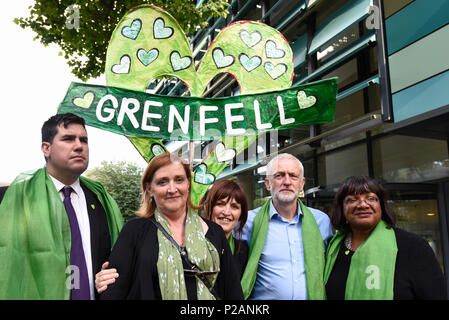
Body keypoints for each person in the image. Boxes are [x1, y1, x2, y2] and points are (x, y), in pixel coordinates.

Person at [0, 113, 123, 300]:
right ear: (46, 148)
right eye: (68, 139)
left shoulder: (101, 201)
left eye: (84, 140)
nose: (79, 146)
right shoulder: (11, 200)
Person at [100, 152, 243, 300]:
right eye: (162, 182)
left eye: (179, 180)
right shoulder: (134, 231)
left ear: (188, 183)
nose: (172, 189)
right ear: (149, 188)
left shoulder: (215, 232)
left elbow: (233, 292)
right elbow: (112, 291)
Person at [324, 176, 447, 300]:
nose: (362, 205)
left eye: (371, 198)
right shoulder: (332, 250)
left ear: (381, 206)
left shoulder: (413, 247)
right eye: (352, 200)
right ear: (342, 209)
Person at [238, 153, 333, 300]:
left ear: (301, 184)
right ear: (268, 183)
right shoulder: (248, 222)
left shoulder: (321, 221)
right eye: (279, 175)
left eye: (293, 176)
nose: (287, 181)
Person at [203, 179, 248, 279]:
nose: (227, 212)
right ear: (207, 207)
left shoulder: (243, 250)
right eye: (220, 204)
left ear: (241, 214)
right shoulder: (195, 244)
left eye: (234, 206)